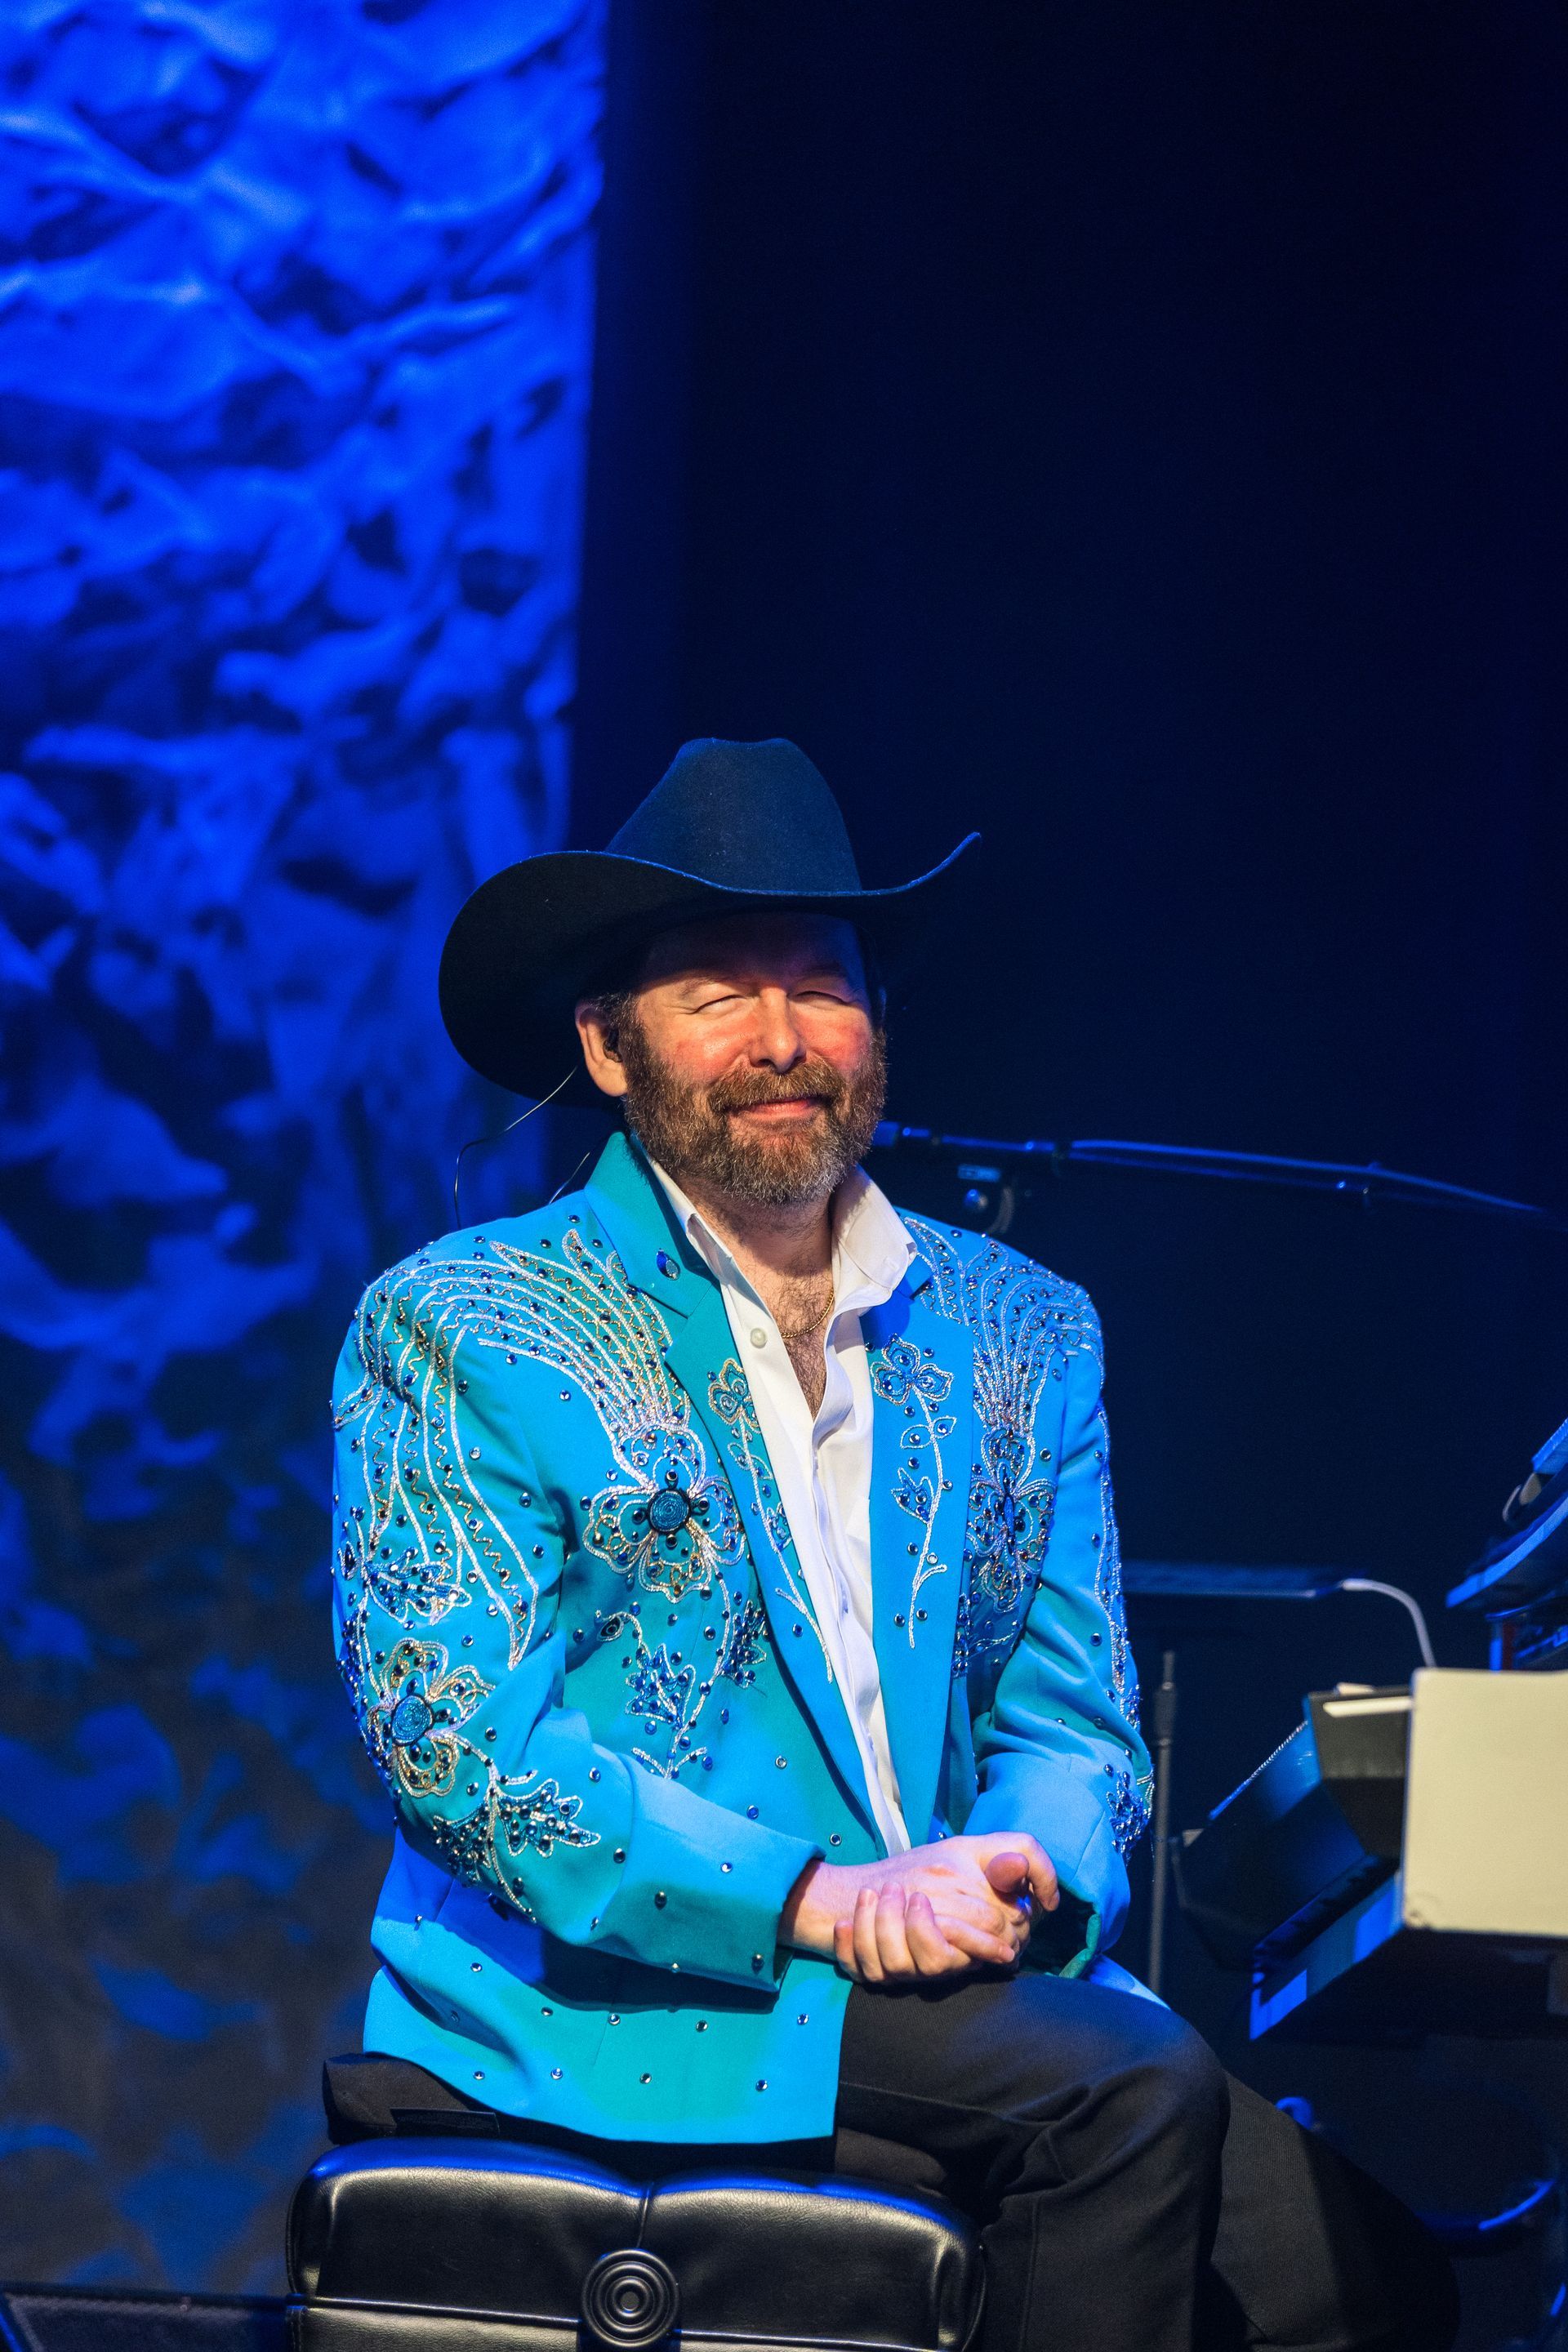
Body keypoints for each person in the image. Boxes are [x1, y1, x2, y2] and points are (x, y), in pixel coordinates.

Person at [327, 738, 1456, 2352]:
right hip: (622, 1990)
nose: (784, 1040)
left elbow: (1072, 1714)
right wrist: (826, 1900)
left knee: (1364, 2276)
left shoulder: (1021, 1330)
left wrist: (1022, 1862)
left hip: (934, 1980)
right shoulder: (470, 1320)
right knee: (1129, 2102)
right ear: (608, 1045)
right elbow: (466, 1754)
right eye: (721, 993)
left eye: (825, 987)